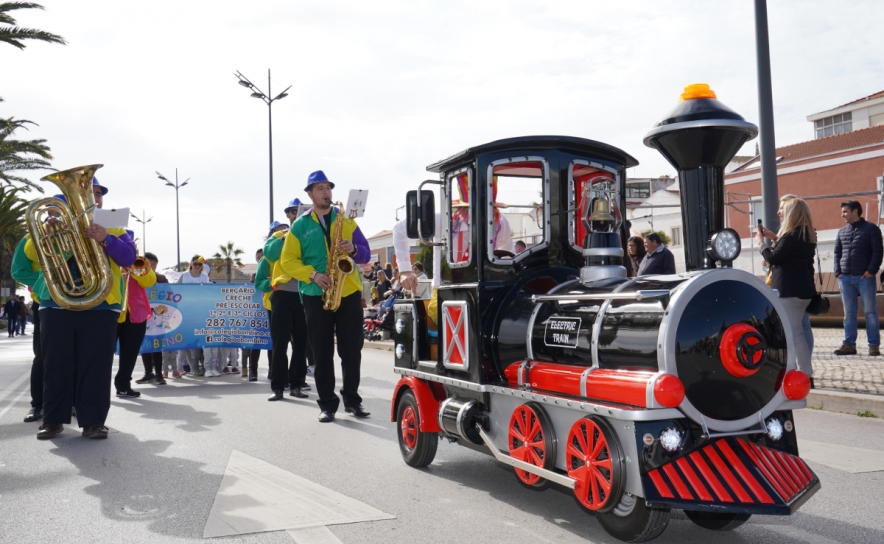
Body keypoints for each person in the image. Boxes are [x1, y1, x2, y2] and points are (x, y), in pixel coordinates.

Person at [25, 176, 137, 439]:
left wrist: (106, 237)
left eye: (98, 194)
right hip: (56, 303)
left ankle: (93, 421)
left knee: (96, 366)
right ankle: (52, 420)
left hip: (101, 305)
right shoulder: (53, 223)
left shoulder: (114, 224)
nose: (94, 198)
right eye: (89, 192)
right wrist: (49, 232)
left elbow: (129, 258)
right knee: (55, 364)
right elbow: (31, 254)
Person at [280, 170, 371, 422]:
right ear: (310, 194)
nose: (326, 192)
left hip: (348, 291)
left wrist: (353, 248)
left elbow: (365, 253)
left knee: (352, 350)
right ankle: (327, 404)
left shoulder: (346, 219)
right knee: (321, 352)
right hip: (315, 293)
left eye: (328, 188)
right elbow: (288, 261)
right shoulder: (299, 225)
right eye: (319, 188)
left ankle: (352, 400)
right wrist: (312, 274)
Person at [757, 197, 817, 380]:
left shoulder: (791, 235)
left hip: (788, 291)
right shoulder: (806, 235)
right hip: (803, 291)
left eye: (782, 209)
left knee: (794, 333)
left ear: (792, 212)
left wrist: (761, 243)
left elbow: (773, 258)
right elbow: (788, 252)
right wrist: (774, 237)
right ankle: (802, 372)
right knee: (796, 331)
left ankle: (803, 374)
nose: (779, 212)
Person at [264, 205, 311, 401]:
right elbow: (270, 255)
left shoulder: (307, 233)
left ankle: (296, 384)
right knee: (280, 342)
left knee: (301, 343)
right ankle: (278, 387)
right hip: (282, 294)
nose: (294, 215)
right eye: (292, 212)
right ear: (287, 216)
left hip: (303, 293)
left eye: (298, 212)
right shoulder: (277, 237)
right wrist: (285, 236)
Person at [833, 200, 883, 356]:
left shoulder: (871, 229)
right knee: (849, 314)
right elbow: (837, 253)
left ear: (855, 211)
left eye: (845, 211)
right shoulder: (841, 232)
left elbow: (878, 252)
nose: (842, 215)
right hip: (845, 279)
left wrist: (871, 271)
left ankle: (873, 346)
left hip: (865, 278)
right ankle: (849, 345)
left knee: (870, 312)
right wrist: (838, 272)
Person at [114, 237, 158, 397]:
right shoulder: (108, 260)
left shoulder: (138, 262)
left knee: (130, 352)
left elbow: (149, 281)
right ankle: (98, 388)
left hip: (135, 313)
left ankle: (123, 384)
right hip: (110, 310)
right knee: (102, 353)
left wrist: (133, 265)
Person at [136, 253, 172, 385]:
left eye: (154, 264)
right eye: (149, 263)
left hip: (158, 318)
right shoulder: (138, 276)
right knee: (145, 345)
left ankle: (158, 374)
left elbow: (171, 296)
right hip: (143, 317)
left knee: (157, 346)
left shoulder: (162, 278)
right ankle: (148, 373)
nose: (152, 266)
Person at [177, 256, 211, 375]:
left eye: (200, 264)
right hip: (186, 312)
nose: (197, 266)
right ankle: (184, 366)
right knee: (186, 342)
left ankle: (201, 366)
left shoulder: (205, 277)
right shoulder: (184, 276)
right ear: (191, 263)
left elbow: (208, 293)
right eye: (195, 264)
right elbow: (177, 291)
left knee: (199, 339)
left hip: (200, 312)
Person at [249, 247, 272, 382]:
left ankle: (272, 369)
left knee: (272, 342)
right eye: (258, 258)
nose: (260, 260)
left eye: (262, 257)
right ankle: (253, 371)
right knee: (256, 343)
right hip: (257, 314)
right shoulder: (254, 276)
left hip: (271, 309)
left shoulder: (273, 270)